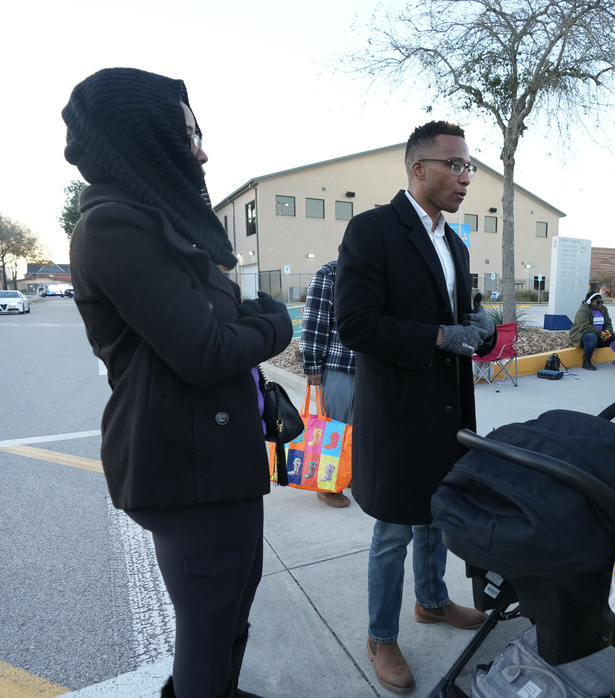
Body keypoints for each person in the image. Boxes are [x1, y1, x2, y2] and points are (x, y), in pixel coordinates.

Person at [63, 68, 293, 698]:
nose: (202, 149)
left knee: (232, 607)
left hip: (218, 455)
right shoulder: (115, 226)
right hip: (182, 464)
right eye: (187, 132)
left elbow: (225, 318)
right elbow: (207, 347)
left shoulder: (160, 221)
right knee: (208, 621)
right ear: (142, 136)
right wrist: (278, 325)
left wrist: (254, 318)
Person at [335, 120, 496, 694]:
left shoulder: (454, 240)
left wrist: (478, 323)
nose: (465, 177)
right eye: (455, 165)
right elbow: (355, 323)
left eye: (469, 167)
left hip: (448, 410)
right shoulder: (372, 231)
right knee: (396, 529)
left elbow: (460, 313)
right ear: (418, 168)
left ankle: (431, 601)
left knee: (438, 517)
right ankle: (381, 635)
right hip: (399, 414)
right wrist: (436, 337)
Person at [299, 259, 356, 507]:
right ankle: (326, 484)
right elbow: (315, 320)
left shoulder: (376, 271)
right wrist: (312, 365)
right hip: (338, 365)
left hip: (369, 367)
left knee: (358, 429)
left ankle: (348, 474)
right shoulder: (330, 274)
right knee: (334, 430)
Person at [569, 291, 615, 370]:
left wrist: (608, 332)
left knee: (614, 337)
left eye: (601, 302)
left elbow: (608, 323)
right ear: (590, 302)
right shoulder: (583, 311)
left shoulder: (603, 309)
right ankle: (586, 361)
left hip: (599, 335)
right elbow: (584, 327)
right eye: (597, 302)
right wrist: (600, 333)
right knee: (591, 336)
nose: (600, 304)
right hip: (582, 336)